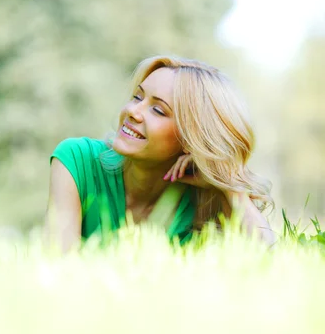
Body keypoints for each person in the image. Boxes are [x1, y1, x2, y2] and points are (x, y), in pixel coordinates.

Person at [44, 55, 275, 254]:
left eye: (158, 110)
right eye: (137, 97)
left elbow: (267, 260)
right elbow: (60, 264)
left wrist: (230, 189)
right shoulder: (77, 160)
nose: (132, 112)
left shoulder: (207, 199)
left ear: (191, 138)